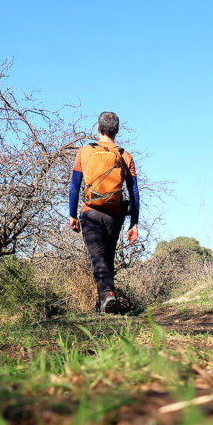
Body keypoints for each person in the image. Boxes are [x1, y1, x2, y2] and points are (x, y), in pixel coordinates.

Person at [69, 111, 140, 313]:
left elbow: (75, 186)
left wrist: (72, 214)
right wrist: (134, 223)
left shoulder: (85, 151)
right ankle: (104, 303)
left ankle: (108, 295)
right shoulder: (125, 155)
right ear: (117, 131)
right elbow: (134, 191)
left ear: (98, 129)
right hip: (114, 214)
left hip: (90, 212)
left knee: (97, 258)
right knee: (107, 257)